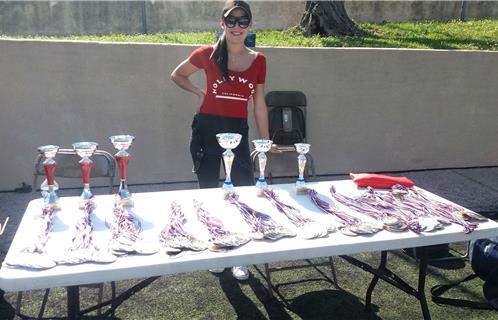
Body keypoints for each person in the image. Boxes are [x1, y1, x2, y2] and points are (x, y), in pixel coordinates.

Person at [171, 0, 276, 281]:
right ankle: (216, 246)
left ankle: (240, 255)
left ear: (250, 25)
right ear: (222, 23)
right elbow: (177, 74)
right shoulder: (207, 54)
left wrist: (264, 143)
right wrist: (199, 92)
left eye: (243, 22)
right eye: (231, 21)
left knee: (241, 189)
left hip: (237, 129)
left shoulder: (259, 60)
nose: (237, 27)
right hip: (207, 127)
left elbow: (259, 105)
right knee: (208, 189)